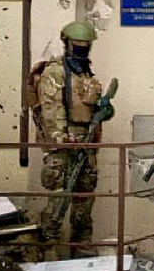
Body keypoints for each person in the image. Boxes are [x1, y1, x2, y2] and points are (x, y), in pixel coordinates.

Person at [34, 21, 106, 257]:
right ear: (66, 43)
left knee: (85, 197)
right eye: (78, 45)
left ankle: (82, 243)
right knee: (58, 198)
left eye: (87, 45)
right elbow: (51, 107)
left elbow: (91, 108)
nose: (82, 49)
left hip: (86, 143)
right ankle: (48, 246)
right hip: (63, 146)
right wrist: (60, 136)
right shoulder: (55, 71)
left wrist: (104, 110)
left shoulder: (85, 72)